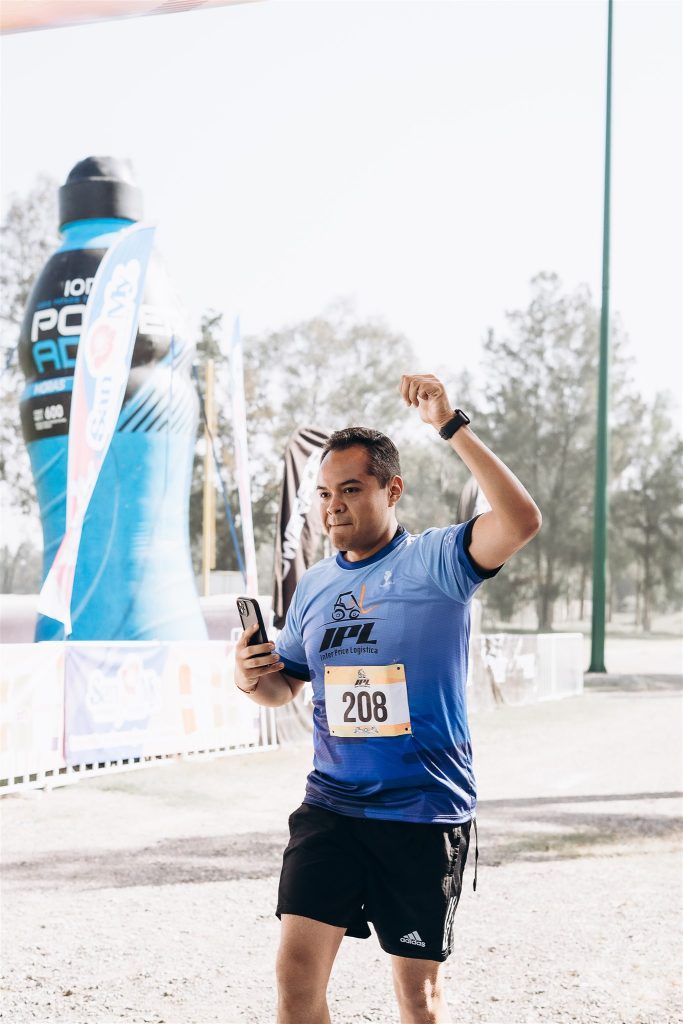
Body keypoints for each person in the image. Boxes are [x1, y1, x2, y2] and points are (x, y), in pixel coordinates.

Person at [234, 373, 541, 1024]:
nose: (333, 507)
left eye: (350, 489)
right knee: (295, 978)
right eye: (324, 494)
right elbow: (283, 685)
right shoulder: (314, 586)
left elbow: (521, 520)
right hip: (332, 807)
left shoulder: (438, 561)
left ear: (391, 490)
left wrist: (450, 425)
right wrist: (249, 674)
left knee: (417, 999)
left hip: (421, 814)